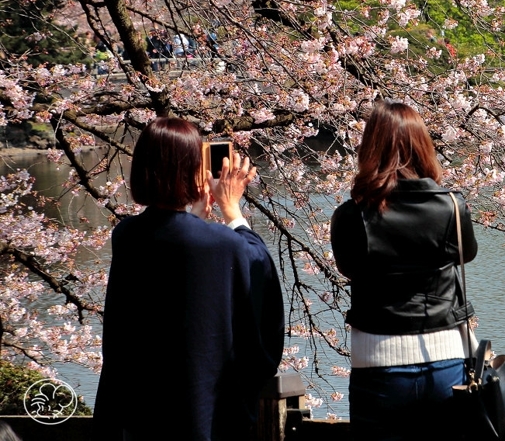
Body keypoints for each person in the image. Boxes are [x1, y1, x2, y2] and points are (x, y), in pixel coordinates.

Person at [94, 118, 285, 441]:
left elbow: (177, 239)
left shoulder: (127, 235)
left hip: (142, 416)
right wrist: (231, 209)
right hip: (204, 415)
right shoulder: (220, 244)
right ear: (193, 170)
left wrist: (196, 212)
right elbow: (258, 266)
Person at [331, 101, 476, 441]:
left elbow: (348, 267)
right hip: (445, 360)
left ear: (369, 149)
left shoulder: (352, 217)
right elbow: (466, 254)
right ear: (423, 146)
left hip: (377, 362)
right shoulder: (453, 208)